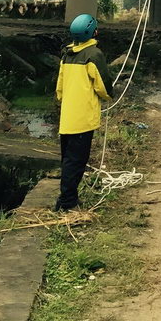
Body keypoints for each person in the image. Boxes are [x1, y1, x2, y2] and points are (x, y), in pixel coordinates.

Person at [55, 13, 113, 212]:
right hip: (83, 119)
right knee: (76, 162)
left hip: (67, 119)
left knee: (68, 160)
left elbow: (59, 89)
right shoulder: (94, 55)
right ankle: (67, 202)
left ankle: (67, 198)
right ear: (93, 32)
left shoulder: (66, 55)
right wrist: (108, 96)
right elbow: (103, 87)